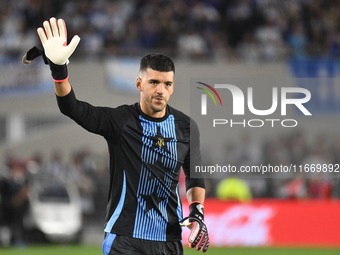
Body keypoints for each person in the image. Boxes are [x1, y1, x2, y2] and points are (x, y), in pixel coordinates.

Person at [25, 17, 209, 254]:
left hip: (169, 239)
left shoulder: (186, 127)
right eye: (153, 82)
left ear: (172, 87)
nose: (160, 90)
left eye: (167, 84)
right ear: (139, 83)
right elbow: (72, 108)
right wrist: (59, 70)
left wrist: (196, 210)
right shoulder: (120, 121)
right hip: (124, 238)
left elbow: (195, 176)